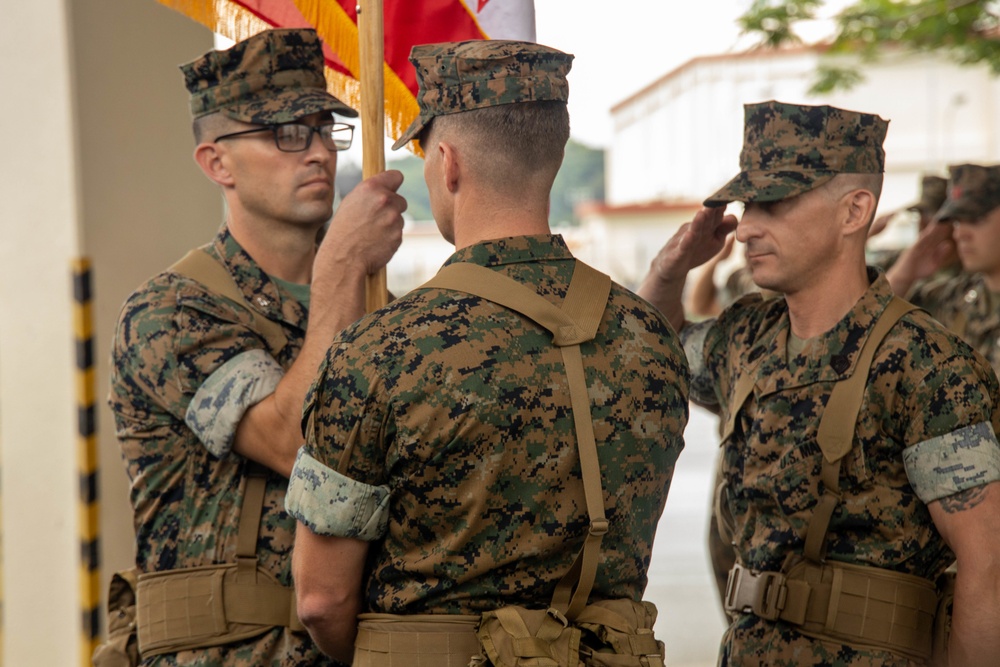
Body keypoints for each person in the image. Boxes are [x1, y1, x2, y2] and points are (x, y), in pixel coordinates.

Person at [284, 40, 690, 665]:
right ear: (552, 157)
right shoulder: (650, 337)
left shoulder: (380, 349)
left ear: (447, 164)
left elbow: (320, 601)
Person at [638, 100, 1000, 666]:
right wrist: (668, 271)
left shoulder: (925, 363)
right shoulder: (747, 335)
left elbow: (988, 566)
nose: (748, 227)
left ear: (854, 211)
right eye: (747, 203)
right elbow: (654, 353)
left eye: (774, 203)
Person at [106, 28, 406, 666]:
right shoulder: (170, 312)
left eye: (326, 130)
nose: (319, 152)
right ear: (217, 163)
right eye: (285, 134)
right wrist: (341, 268)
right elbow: (294, 439)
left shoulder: (381, 308)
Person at [888, 164, 1000, 373]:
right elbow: (865, 323)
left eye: (976, 220)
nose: (960, 234)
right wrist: (904, 275)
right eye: (957, 222)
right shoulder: (958, 299)